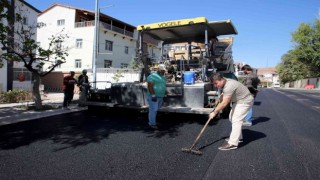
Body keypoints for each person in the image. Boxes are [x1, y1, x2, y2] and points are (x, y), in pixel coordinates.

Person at [208, 73, 254, 150]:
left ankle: (233, 143)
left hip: (245, 101)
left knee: (236, 119)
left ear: (221, 79)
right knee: (231, 118)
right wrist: (222, 95)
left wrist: (214, 112)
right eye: (214, 84)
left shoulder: (229, 86)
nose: (216, 86)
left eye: (216, 83)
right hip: (239, 100)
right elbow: (225, 92)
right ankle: (238, 137)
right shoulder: (225, 80)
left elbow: (224, 103)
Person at [147, 64, 167, 129]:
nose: (163, 71)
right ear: (158, 69)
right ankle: (152, 124)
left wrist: (165, 93)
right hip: (154, 96)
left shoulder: (162, 76)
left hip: (161, 96)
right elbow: (150, 86)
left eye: (164, 70)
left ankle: (153, 121)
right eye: (162, 70)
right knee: (153, 109)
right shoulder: (152, 76)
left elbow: (163, 85)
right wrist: (153, 95)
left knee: (156, 109)